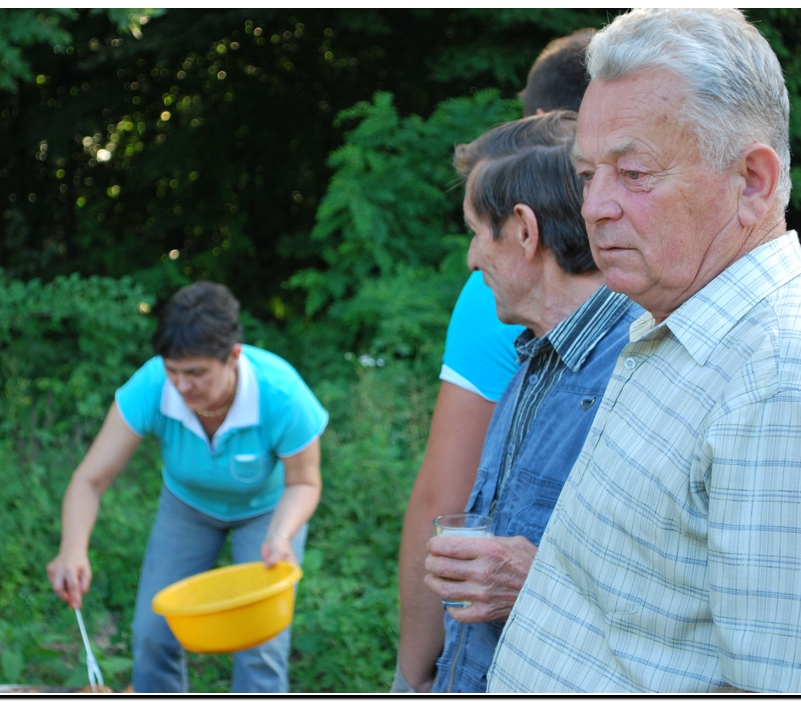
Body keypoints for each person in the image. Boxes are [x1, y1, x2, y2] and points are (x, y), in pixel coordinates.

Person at [488, 8, 801, 694]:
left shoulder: (785, 383)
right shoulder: (669, 316)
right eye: (585, 175)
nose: (594, 207)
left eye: (632, 172)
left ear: (750, 181)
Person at [393, 28, 600, 693]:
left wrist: (408, 676)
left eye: (476, 234)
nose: (470, 260)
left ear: (524, 230)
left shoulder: (639, 363)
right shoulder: (532, 348)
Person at [46, 281, 328, 693]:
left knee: (260, 644)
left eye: (196, 373)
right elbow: (90, 480)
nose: (181, 386)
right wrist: (72, 549)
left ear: (233, 356)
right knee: (152, 631)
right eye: (172, 371)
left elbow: (304, 482)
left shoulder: (283, 395)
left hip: (268, 513)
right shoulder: (151, 387)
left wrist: (281, 534)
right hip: (188, 508)